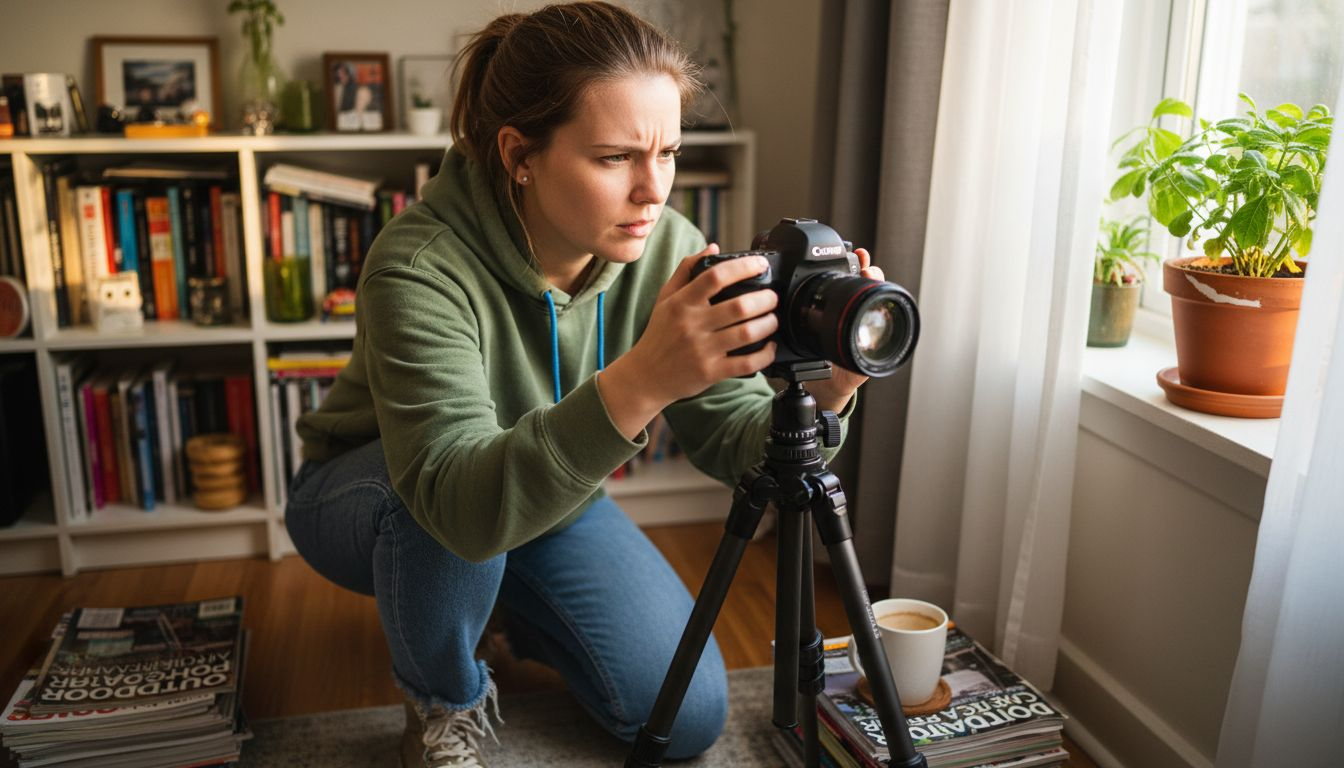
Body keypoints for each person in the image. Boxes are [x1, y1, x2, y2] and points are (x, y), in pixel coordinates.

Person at [284, 3, 881, 767]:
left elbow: (740, 448)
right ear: (519, 154)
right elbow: (457, 502)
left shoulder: (670, 246)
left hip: (548, 499)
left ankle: (502, 609)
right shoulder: (419, 264)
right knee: (439, 507)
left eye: (666, 152)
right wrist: (645, 376)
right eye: (613, 158)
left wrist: (830, 388)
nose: (652, 190)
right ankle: (443, 699)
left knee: (687, 719)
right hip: (384, 494)